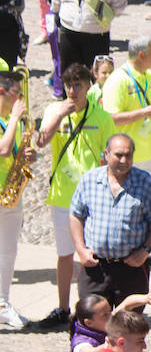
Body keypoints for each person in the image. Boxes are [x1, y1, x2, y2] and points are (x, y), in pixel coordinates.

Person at [38, 64, 117, 325]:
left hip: (92, 197)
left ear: (88, 86)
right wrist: (58, 115)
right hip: (62, 195)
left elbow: (110, 158)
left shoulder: (102, 117)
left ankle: (89, 310)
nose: (73, 91)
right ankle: (63, 307)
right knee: (64, 254)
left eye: (78, 85)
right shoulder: (55, 110)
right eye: (69, 85)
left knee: (90, 255)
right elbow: (41, 141)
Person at [69, 133, 151, 308]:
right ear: (106, 154)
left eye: (128, 155)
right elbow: (76, 215)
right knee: (92, 325)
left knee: (128, 326)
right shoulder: (90, 180)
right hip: (95, 267)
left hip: (131, 268)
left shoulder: (145, 182)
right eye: (118, 155)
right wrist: (80, 249)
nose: (124, 160)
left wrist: (146, 250)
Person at [0, 71, 35, 327]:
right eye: (16, 92)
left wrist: (27, 156)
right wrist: (13, 118)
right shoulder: (11, 119)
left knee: (8, 252)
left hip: (10, 194)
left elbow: (11, 150)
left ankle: (2, 302)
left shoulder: (13, 120)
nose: (21, 98)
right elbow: (2, 149)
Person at [102, 36, 151, 172]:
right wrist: (145, 112)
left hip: (148, 153)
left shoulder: (148, 75)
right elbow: (110, 119)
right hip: (126, 157)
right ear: (141, 55)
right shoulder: (118, 80)